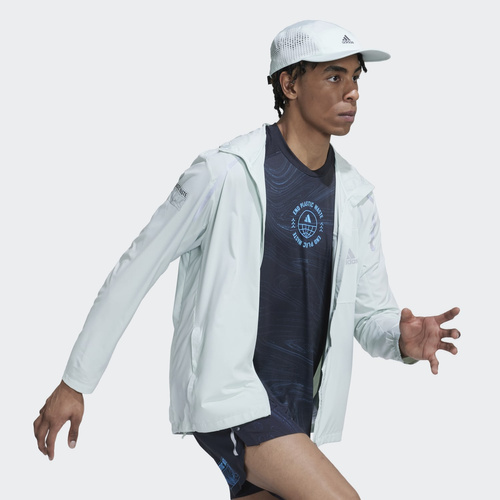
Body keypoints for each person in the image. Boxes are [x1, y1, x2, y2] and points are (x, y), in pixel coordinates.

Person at [34, 20, 461, 499]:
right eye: (334, 76)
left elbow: (369, 313)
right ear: (289, 84)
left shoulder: (355, 195)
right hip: (233, 396)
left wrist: (400, 339)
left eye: (356, 77)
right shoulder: (223, 173)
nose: (353, 92)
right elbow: (135, 269)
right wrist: (75, 381)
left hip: (299, 405)